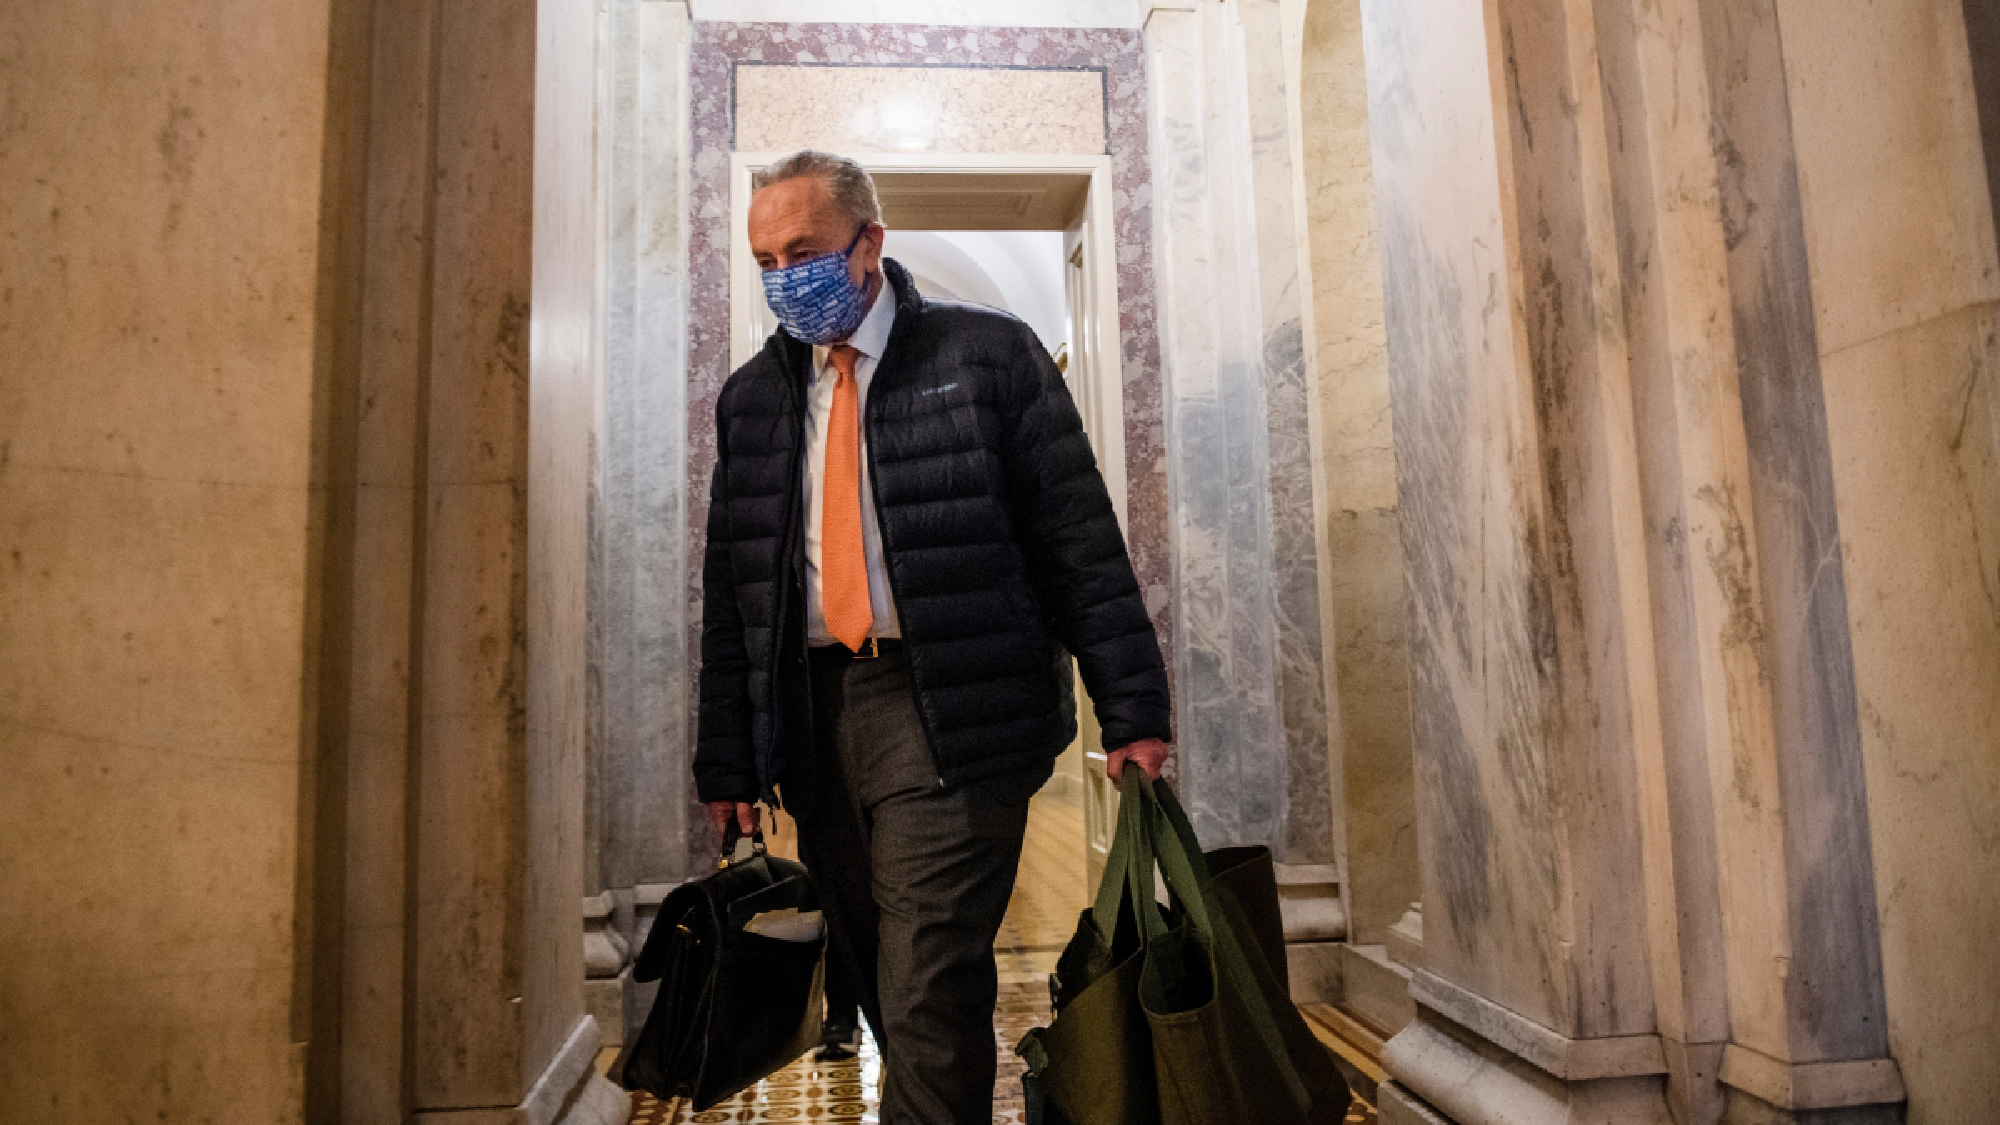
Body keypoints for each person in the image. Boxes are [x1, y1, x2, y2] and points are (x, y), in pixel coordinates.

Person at [694, 150, 1172, 1123]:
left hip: (953, 703)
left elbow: (1077, 541)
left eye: (805, 251)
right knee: (871, 967)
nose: (787, 277)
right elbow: (733, 591)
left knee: (926, 983)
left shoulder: (989, 355)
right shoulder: (753, 399)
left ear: (868, 242)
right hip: (813, 719)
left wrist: (1131, 710)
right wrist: (728, 764)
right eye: (766, 260)